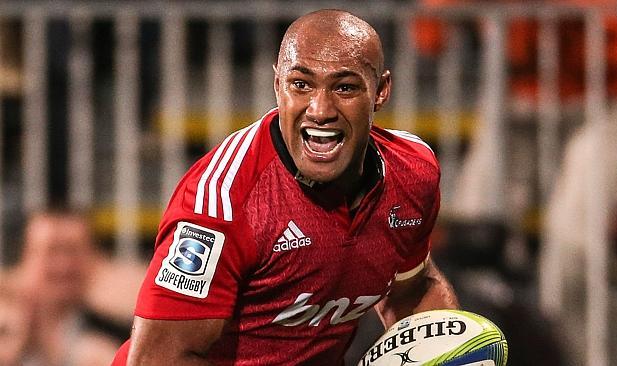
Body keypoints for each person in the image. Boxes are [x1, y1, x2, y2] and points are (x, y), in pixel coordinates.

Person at [113, 9, 459, 365]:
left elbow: (411, 292)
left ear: (381, 91)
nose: (320, 109)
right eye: (301, 84)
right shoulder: (222, 204)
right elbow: (156, 360)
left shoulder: (412, 172)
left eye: (345, 87)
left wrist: (448, 354)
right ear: (277, 85)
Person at [0, 209, 122, 366]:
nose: (63, 265)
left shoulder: (114, 334)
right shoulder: (7, 320)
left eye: (72, 250)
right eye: (51, 250)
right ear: (25, 258)